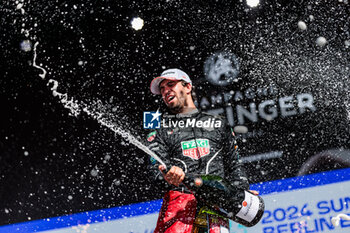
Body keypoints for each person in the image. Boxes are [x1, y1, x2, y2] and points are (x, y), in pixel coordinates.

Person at [147, 68, 255, 233]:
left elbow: (234, 165)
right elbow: (155, 170)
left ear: (188, 87)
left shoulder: (219, 124)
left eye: (170, 84)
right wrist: (168, 174)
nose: (165, 91)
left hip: (215, 207)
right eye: (162, 89)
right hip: (179, 208)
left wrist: (241, 192)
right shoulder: (159, 130)